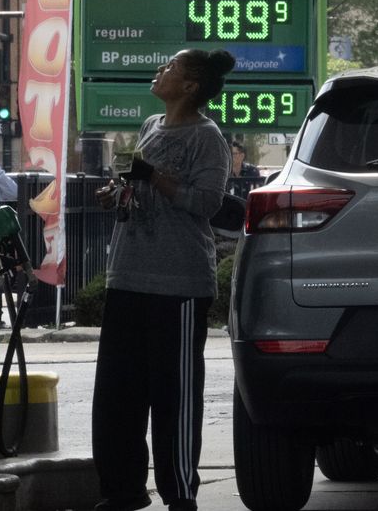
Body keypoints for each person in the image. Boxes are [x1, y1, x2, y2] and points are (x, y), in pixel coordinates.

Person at [92, 48, 234, 511]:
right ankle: (122, 490)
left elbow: (208, 202)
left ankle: (180, 493)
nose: (161, 71)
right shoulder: (151, 127)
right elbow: (142, 187)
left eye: (170, 67)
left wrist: (153, 176)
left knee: (174, 396)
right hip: (127, 274)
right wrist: (119, 193)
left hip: (178, 284)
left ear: (191, 86)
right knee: (118, 393)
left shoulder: (207, 136)